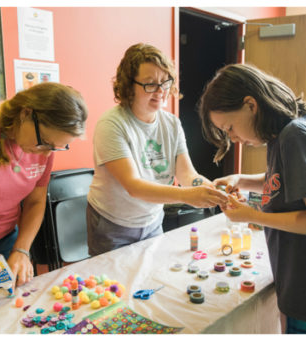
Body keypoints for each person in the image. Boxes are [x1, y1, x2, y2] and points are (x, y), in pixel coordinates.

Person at [197, 63, 306, 333]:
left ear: (251, 105)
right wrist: (241, 180)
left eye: (230, 127)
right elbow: (284, 183)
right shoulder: (280, 137)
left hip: (304, 287)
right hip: (292, 282)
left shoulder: (295, 135)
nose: (233, 138)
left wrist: (251, 215)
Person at [86, 43, 228, 256]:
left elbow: (186, 174)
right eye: (150, 84)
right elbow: (134, 187)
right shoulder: (112, 124)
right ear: (128, 86)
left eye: (165, 82)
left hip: (152, 220)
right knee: (115, 286)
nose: (161, 91)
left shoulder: (171, 123)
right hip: (112, 224)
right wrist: (189, 195)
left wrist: (212, 192)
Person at [0, 82, 87, 294]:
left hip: (7, 239)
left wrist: (22, 249)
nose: (46, 154)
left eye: (55, 147)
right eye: (45, 143)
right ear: (25, 114)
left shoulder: (46, 144)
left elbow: (36, 201)